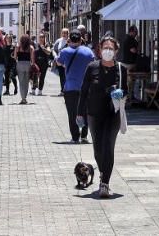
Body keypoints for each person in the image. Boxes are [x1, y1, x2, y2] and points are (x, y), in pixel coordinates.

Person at [77, 36, 127, 198]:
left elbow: (125, 90)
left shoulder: (121, 69)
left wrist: (121, 92)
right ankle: (102, 172)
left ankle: (104, 183)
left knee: (108, 147)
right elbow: (84, 91)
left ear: (116, 51)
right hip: (94, 113)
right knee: (98, 149)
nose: (107, 51)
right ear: (99, 49)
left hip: (113, 114)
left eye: (111, 49)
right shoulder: (92, 67)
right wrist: (79, 112)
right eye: (105, 48)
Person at [57, 30, 95, 143]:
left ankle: (75, 137)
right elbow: (94, 64)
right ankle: (84, 135)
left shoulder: (64, 51)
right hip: (85, 87)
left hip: (70, 87)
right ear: (80, 39)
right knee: (85, 111)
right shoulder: (88, 52)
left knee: (72, 113)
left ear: (69, 39)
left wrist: (66, 65)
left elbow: (58, 62)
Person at [14, 34, 35, 104]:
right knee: (26, 81)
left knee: (21, 82)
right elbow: (32, 59)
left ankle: (23, 98)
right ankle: (25, 97)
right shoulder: (31, 47)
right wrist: (32, 65)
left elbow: (15, 57)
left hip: (20, 64)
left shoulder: (18, 46)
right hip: (28, 64)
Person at [120, 25, 139, 96]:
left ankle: (130, 95)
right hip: (129, 64)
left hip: (128, 63)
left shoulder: (129, 39)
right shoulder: (129, 40)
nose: (136, 33)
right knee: (130, 81)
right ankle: (129, 96)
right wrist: (138, 50)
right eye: (135, 32)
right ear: (131, 32)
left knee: (130, 81)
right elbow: (133, 50)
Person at [53, 28, 70, 95]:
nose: (64, 34)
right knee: (62, 76)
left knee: (68, 76)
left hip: (68, 61)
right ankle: (63, 90)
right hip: (60, 61)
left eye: (65, 33)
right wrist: (55, 57)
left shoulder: (70, 41)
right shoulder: (58, 41)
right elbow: (54, 50)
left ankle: (68, 89)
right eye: (63, 33)